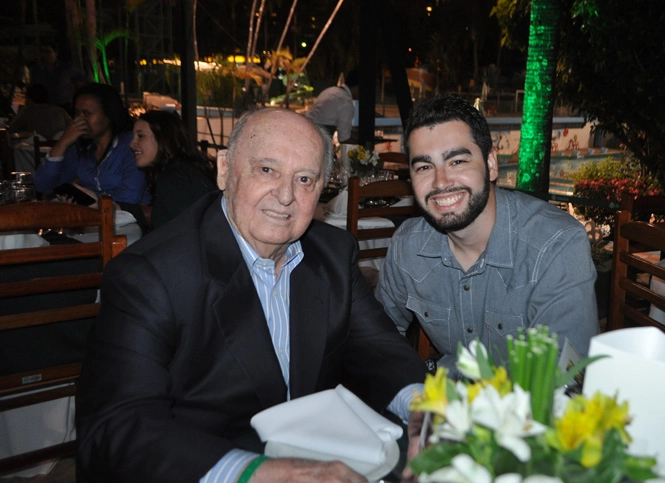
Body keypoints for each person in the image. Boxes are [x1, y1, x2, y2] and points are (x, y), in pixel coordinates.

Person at [76, 108, 428, 482]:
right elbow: (116, 426)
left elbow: (379, 348)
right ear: (225, 169)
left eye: (305, 178)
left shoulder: (333, 254)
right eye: (267, 170)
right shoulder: (150, 275)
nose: (286, 195)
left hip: (323, 455)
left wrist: (425, 408)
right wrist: (254, 472)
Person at [377, 94, 599, 375]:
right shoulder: (408, 247)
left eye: (457, 161)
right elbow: (377, 338)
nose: (440, 181)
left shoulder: (556, 246)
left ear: (491, 163)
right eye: (424, 167)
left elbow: (565, 380)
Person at [33, 83, 149, 206]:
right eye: (77, 113)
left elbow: (129, 197)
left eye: (87, 113)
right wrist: (63, 143)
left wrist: (91, 199)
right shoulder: (81, 148)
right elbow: (43, 186)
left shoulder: (131, 146)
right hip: (92, 220)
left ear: (109, 115)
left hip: (128, 220)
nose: (80, 120)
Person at [128, 109, 218, 231]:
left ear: (163, 138)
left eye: (140, 136)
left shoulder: (173, 179)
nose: (132, 144)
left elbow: (181, 235)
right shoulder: (188, 170)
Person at [8, 83, 72, 171]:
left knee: (17, 150)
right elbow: (71, 126)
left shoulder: (28, 111)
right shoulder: (59, 111)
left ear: (29, 99)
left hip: (38, 155)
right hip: (62, 154)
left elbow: (12, 128)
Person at [28, 42, 87, 114]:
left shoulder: (66, 68)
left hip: (64, 107)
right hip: (45, 107)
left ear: (55, 53)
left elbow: (83, 79)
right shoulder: (37, 70)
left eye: (47, 51)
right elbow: (32, 86)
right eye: (42, 51)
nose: (44, 55)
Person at [305, 69, 359, 143]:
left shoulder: (330, 91)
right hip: (318, 139)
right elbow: (344, 138)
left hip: (307, 129)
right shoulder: (345, 103)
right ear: (357, 88)